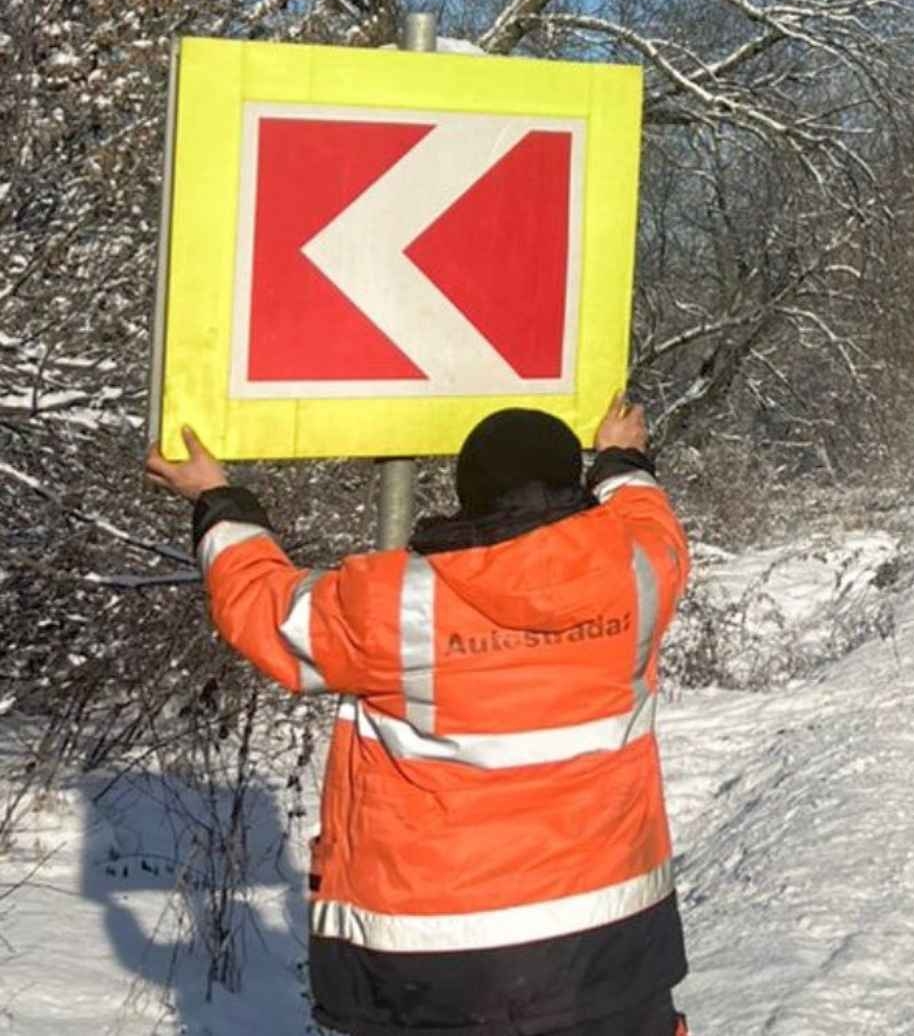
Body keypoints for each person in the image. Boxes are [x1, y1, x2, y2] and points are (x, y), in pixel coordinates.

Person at [144, 397, 691, 1036]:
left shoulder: (396, 603)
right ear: (574, 481)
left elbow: (269, 612)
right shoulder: (643, 570)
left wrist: (217, 500)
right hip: (615, 957)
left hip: (435, 969)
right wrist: (622, 458)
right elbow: (644, 511)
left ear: (468, 496)